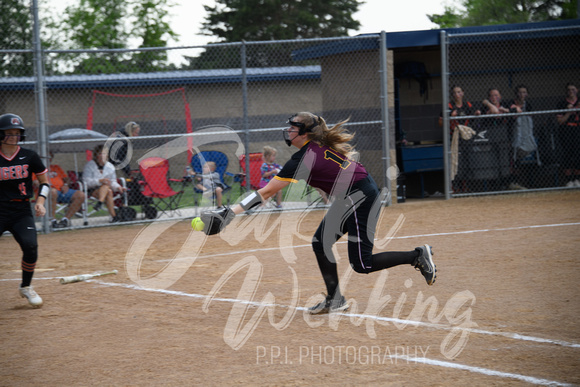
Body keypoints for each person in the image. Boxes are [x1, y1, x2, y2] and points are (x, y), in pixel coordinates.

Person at [200, 112, 437, 314]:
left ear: (305, 134)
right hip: (353, 194)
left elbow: (267, 192)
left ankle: (416, 256)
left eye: (293, 128)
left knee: (362, 264)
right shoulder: (314, 148)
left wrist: (230, 212)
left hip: (359, 196)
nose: (288, 131)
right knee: (320, 242)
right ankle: (335, 299)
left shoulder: (303, 158)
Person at [0, 113, 48, 307]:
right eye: (8, 133)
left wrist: (40, 202)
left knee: (30, 246)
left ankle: (26, 287)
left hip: (21, 210)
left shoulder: (29, 156)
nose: (13, 136)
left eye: (17, 133)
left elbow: (44, 182)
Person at [439, 85, 481, 192]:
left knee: (466, 161)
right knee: (455, 162)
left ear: (463, 93)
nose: (457, 94)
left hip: (465, 138)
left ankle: (465, 186)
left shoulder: (468, 105)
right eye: (455, 92)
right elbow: (440, 122)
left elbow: (475, 114)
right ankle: (454, 187)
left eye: (459, 92)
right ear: (452, 95)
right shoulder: (449, 106)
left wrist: (477, 113)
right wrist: (450, 117)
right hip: (454, 138)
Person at [34, 152, 86, 228]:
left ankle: (65, 220)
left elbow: (67, 179)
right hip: (46, 194)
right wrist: (46, 186)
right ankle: (52, 220)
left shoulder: (56, 167)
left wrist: (65, 185)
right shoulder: (37, 168)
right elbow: (35, 183)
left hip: (62, 191)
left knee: (81, 195)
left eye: (50, 157)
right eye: (46, 157)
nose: (48, 159)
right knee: (53, 192)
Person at [480, 88, 512, 191]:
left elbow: (515, 110)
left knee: (504, 160)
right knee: (492, 160)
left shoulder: (505, 104)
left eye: (496, 95)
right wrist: (489, 108)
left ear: (500, 96)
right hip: (490, 135)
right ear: (489, 98)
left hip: (503, 135)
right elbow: (479, 116)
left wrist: (505, 110)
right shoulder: (485, 106)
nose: (495, 97)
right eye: (492, 96)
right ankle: (493, 185)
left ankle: (505, 183)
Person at [82, 144, 124, 222]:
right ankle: (114, 216)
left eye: (104, 154)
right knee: (107, 189)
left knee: (108, 190)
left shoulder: (110, 166)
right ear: (96, 155)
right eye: (100, 154)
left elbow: (113, 181)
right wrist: (99, 181)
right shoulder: (90, 165)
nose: (102, 156)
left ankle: (100, 203)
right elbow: (86, 182)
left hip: (107, 189)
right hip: (93, 190)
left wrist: (118, 187)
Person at [508, 85, 538, 190]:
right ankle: (512, 182)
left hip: (525, 134)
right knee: (513, 159)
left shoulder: (528, 105)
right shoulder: (511, 103)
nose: (522, 94)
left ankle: (529, 182)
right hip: (512, 134)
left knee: (526, 156)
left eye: (524, 92)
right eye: (520, 92)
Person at [556, 82, 580, 187]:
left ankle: (577, 179)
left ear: (577, 90)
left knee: (577, 154)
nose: (571, 92)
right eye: (569, 90)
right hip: (566, 130)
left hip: (577, 128)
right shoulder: (561, 103)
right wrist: (569, 111)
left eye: (573, 89)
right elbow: (560, 121)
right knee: (567, 154)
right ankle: (569, 179)